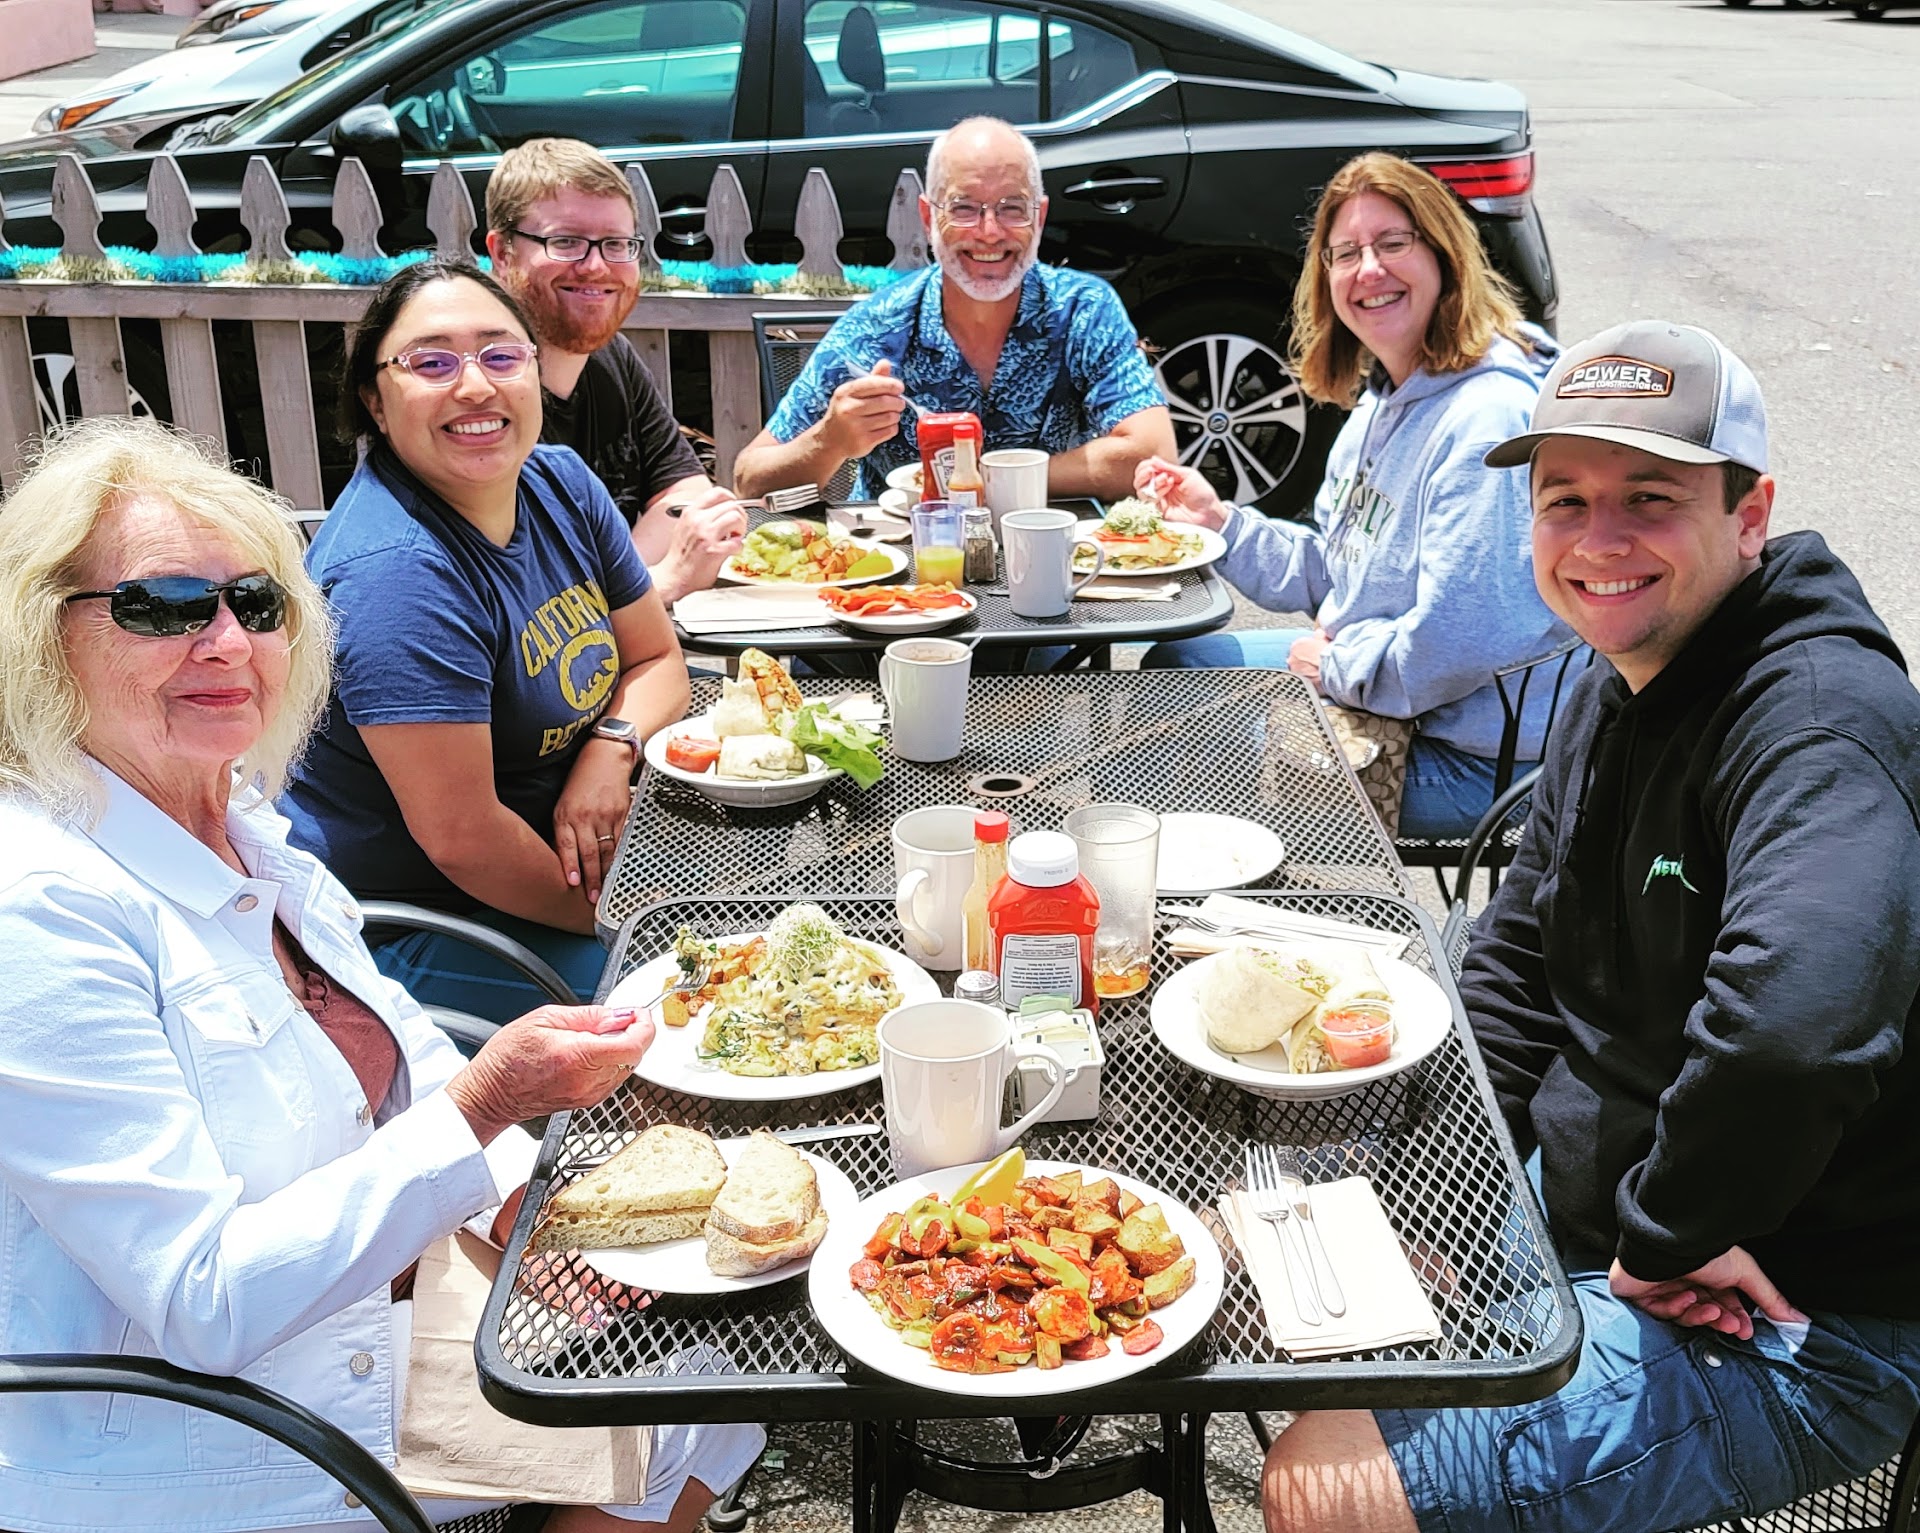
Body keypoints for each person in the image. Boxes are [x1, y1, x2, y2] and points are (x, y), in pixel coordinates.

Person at [0, 416, 762, 1533]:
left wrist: (523, 1215)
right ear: (39, 635)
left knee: (718, 1322)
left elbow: (407, 1053)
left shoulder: (240, 823)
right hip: (207, 1429)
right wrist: (489, 1103)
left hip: (353, 1319)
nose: (227, 641)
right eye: (163, 607)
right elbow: (204, 1300)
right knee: (691, 1392)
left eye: (256, 602)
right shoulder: (38, 909)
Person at [1261, 320, 1920, 1533]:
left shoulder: (1819, 722)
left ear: (1751, 514)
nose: (1599, 541)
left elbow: (1792, 1033)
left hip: (1797, 1303)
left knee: (1326, 1482)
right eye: (1564, 499)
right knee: (1267, 1247)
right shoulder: (1620, 675)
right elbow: (1514, 962)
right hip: (1599, 1208)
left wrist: (1668, 1236)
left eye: (1651, 499)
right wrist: (1436, 1196)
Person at [282, 259, 691, 1019]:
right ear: (374, 401)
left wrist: (610, 749)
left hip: (571, 857)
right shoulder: (397, 575)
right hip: (414, 927)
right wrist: (646, 923)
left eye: (501, 355)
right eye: (431, 363)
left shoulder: (561, 482)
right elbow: (465, 841)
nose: (475, 385)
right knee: (700, 1002)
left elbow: (658, 658)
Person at [1139, 152, 1573, 841]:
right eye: (1346, 253)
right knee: (1178, 670)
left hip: (1477, 755)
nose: (1369, 269)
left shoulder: (1486, 418)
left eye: (1393, 243)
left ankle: (1261, 904)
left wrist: (1336, 667)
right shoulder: (1384, 398)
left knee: (1190, 750)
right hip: (1397, 694)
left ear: (1444, 255)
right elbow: (1340, 570)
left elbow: (1458, 644)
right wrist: (1219, 523)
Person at [732, 115, 1175, 504]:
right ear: (928, 218)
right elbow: (749, 480)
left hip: (1047, 555)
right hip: (898, 565)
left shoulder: (1084, 310)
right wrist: (830, 440)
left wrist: (986, 479)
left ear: (1039, 218)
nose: (989, 231)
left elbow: (1153, 456)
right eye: (964, 208)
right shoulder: (878, 327)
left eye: (1012, 208)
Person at [485, 137, 747, 604]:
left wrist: (626, 584)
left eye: (616, 244)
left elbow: (686, 495)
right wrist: (661, 582)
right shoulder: (483, 392)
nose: (596, 266)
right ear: (503, 254)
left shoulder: (613, 358)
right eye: (565, 242)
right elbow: (525, 601)